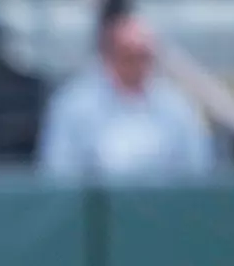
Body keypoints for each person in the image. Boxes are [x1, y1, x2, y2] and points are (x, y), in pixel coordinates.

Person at [36, 12, 218, 180]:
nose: (137, 65)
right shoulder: (73, 105)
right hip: (95, 211)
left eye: (144, 57)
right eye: (128, 56)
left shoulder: (178, 106)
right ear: (109, 55)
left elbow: (198, 171)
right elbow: (58, 172)